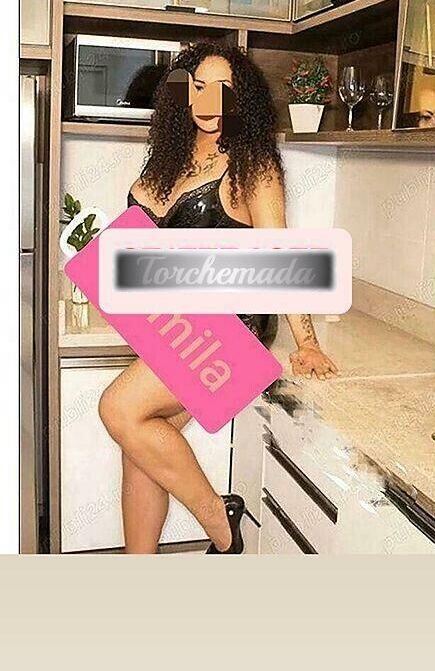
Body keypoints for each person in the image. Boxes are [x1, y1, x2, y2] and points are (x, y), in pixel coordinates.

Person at [99, 42, 338, 554]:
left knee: (118, 408)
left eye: (223, 89)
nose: (208, 100)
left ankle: (220, 520)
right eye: (198, 87)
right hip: (177, 324)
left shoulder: (253, 165)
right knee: (140, 447)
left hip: (231, 330)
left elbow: (278, 253)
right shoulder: (169, 160)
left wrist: (307, 342)